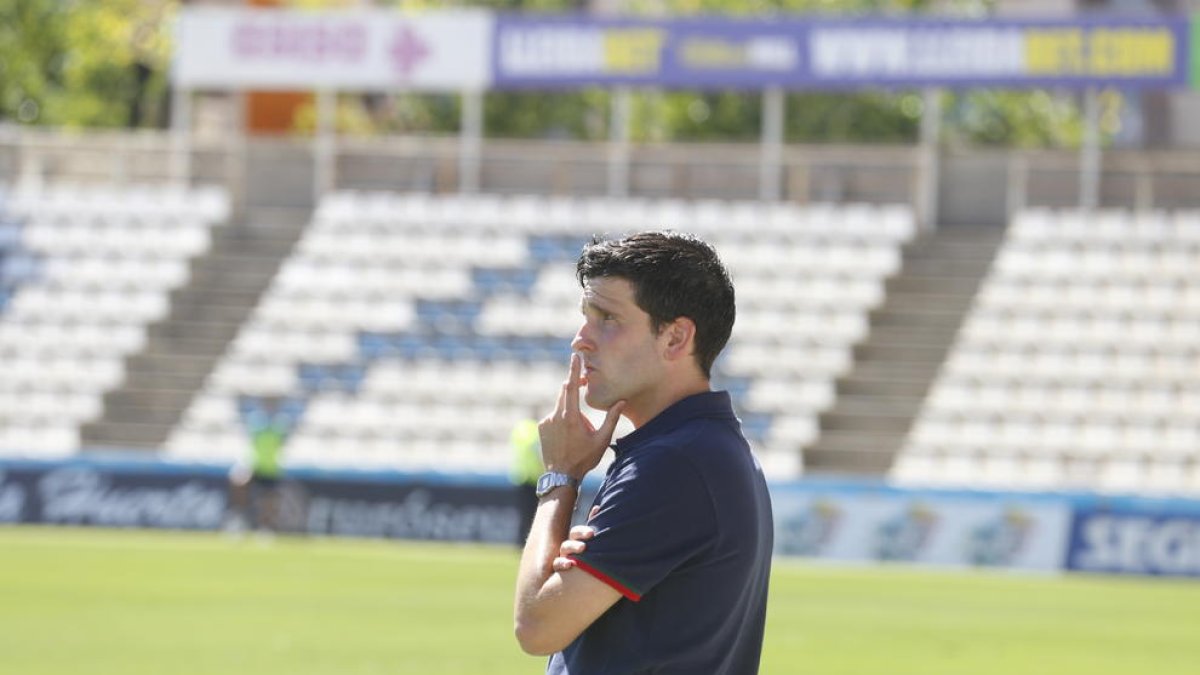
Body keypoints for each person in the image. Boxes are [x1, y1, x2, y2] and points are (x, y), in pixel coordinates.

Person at [513, 231, 774, 674]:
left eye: (608, 319)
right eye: (585, 317)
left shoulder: (676, 464)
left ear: (675, 338)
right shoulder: (700, 447)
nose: (581, 340)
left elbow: (536, 626)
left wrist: (560, 478)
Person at [509, 407, 544, 547]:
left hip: (520, 477)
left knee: (523, 513)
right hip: (536, 478)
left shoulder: (519, 429)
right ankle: (530, 543)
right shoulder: (537, 430)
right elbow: (539, 453)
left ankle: (520, 542)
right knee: (534, 515)